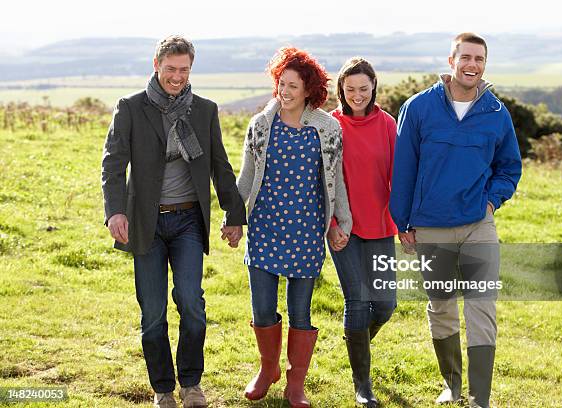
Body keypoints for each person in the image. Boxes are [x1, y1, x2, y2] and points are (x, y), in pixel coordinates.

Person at [101, 35, 246, 408]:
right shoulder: (131, 108)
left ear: (190, 69)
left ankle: (192, 384)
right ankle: (163, 388)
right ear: (156, 65)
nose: (177, 77)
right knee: (153, 312)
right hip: (145, 223)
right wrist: (115, 211)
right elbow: (113, 164)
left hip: (187, 223)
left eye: (184, 70)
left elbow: (219, 165)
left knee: (191, 303)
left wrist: (234, 214)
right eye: (171, 69)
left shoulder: (204, 110)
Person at [389, 33, 522, 408]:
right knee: (442, 307)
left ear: (484, 64)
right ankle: (453, 385)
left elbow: (509, 167)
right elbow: (404, 169)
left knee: (482, 307)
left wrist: (491, 203)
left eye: (479, 59)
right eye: (466, 57)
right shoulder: (418, 108)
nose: (472, 65)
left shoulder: (496, 113)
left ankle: (480, 396)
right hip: (431, 225)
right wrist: (403, 222)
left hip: (479, 224)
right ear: (451, 60)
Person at [236, 46, 352, 408]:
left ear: (308, 91)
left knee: (301, 311)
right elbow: (246, 177)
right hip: (264, 226)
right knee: (262, 308)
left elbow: (336, 181)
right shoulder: (260, 125)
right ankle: (267, 369)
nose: (285, 92)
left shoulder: (328, 129)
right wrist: (233, 218)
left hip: (306, 231)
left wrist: (340, 223)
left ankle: (295, 384)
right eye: (281, 84)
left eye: (293, 86)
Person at [329, 57, 397, 407]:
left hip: (382, 225)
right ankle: (362, 386)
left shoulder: (387, 124)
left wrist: (407, 222)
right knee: (357, 301)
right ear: (341, 89)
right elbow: (321, 182)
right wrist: (332, 225)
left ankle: (357, 343)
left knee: (385, 305)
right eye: (350, 89)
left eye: (363, 88)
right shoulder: (330, 126)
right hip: (343, 228)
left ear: (374, 88)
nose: (357, 95)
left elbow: (400, 176)